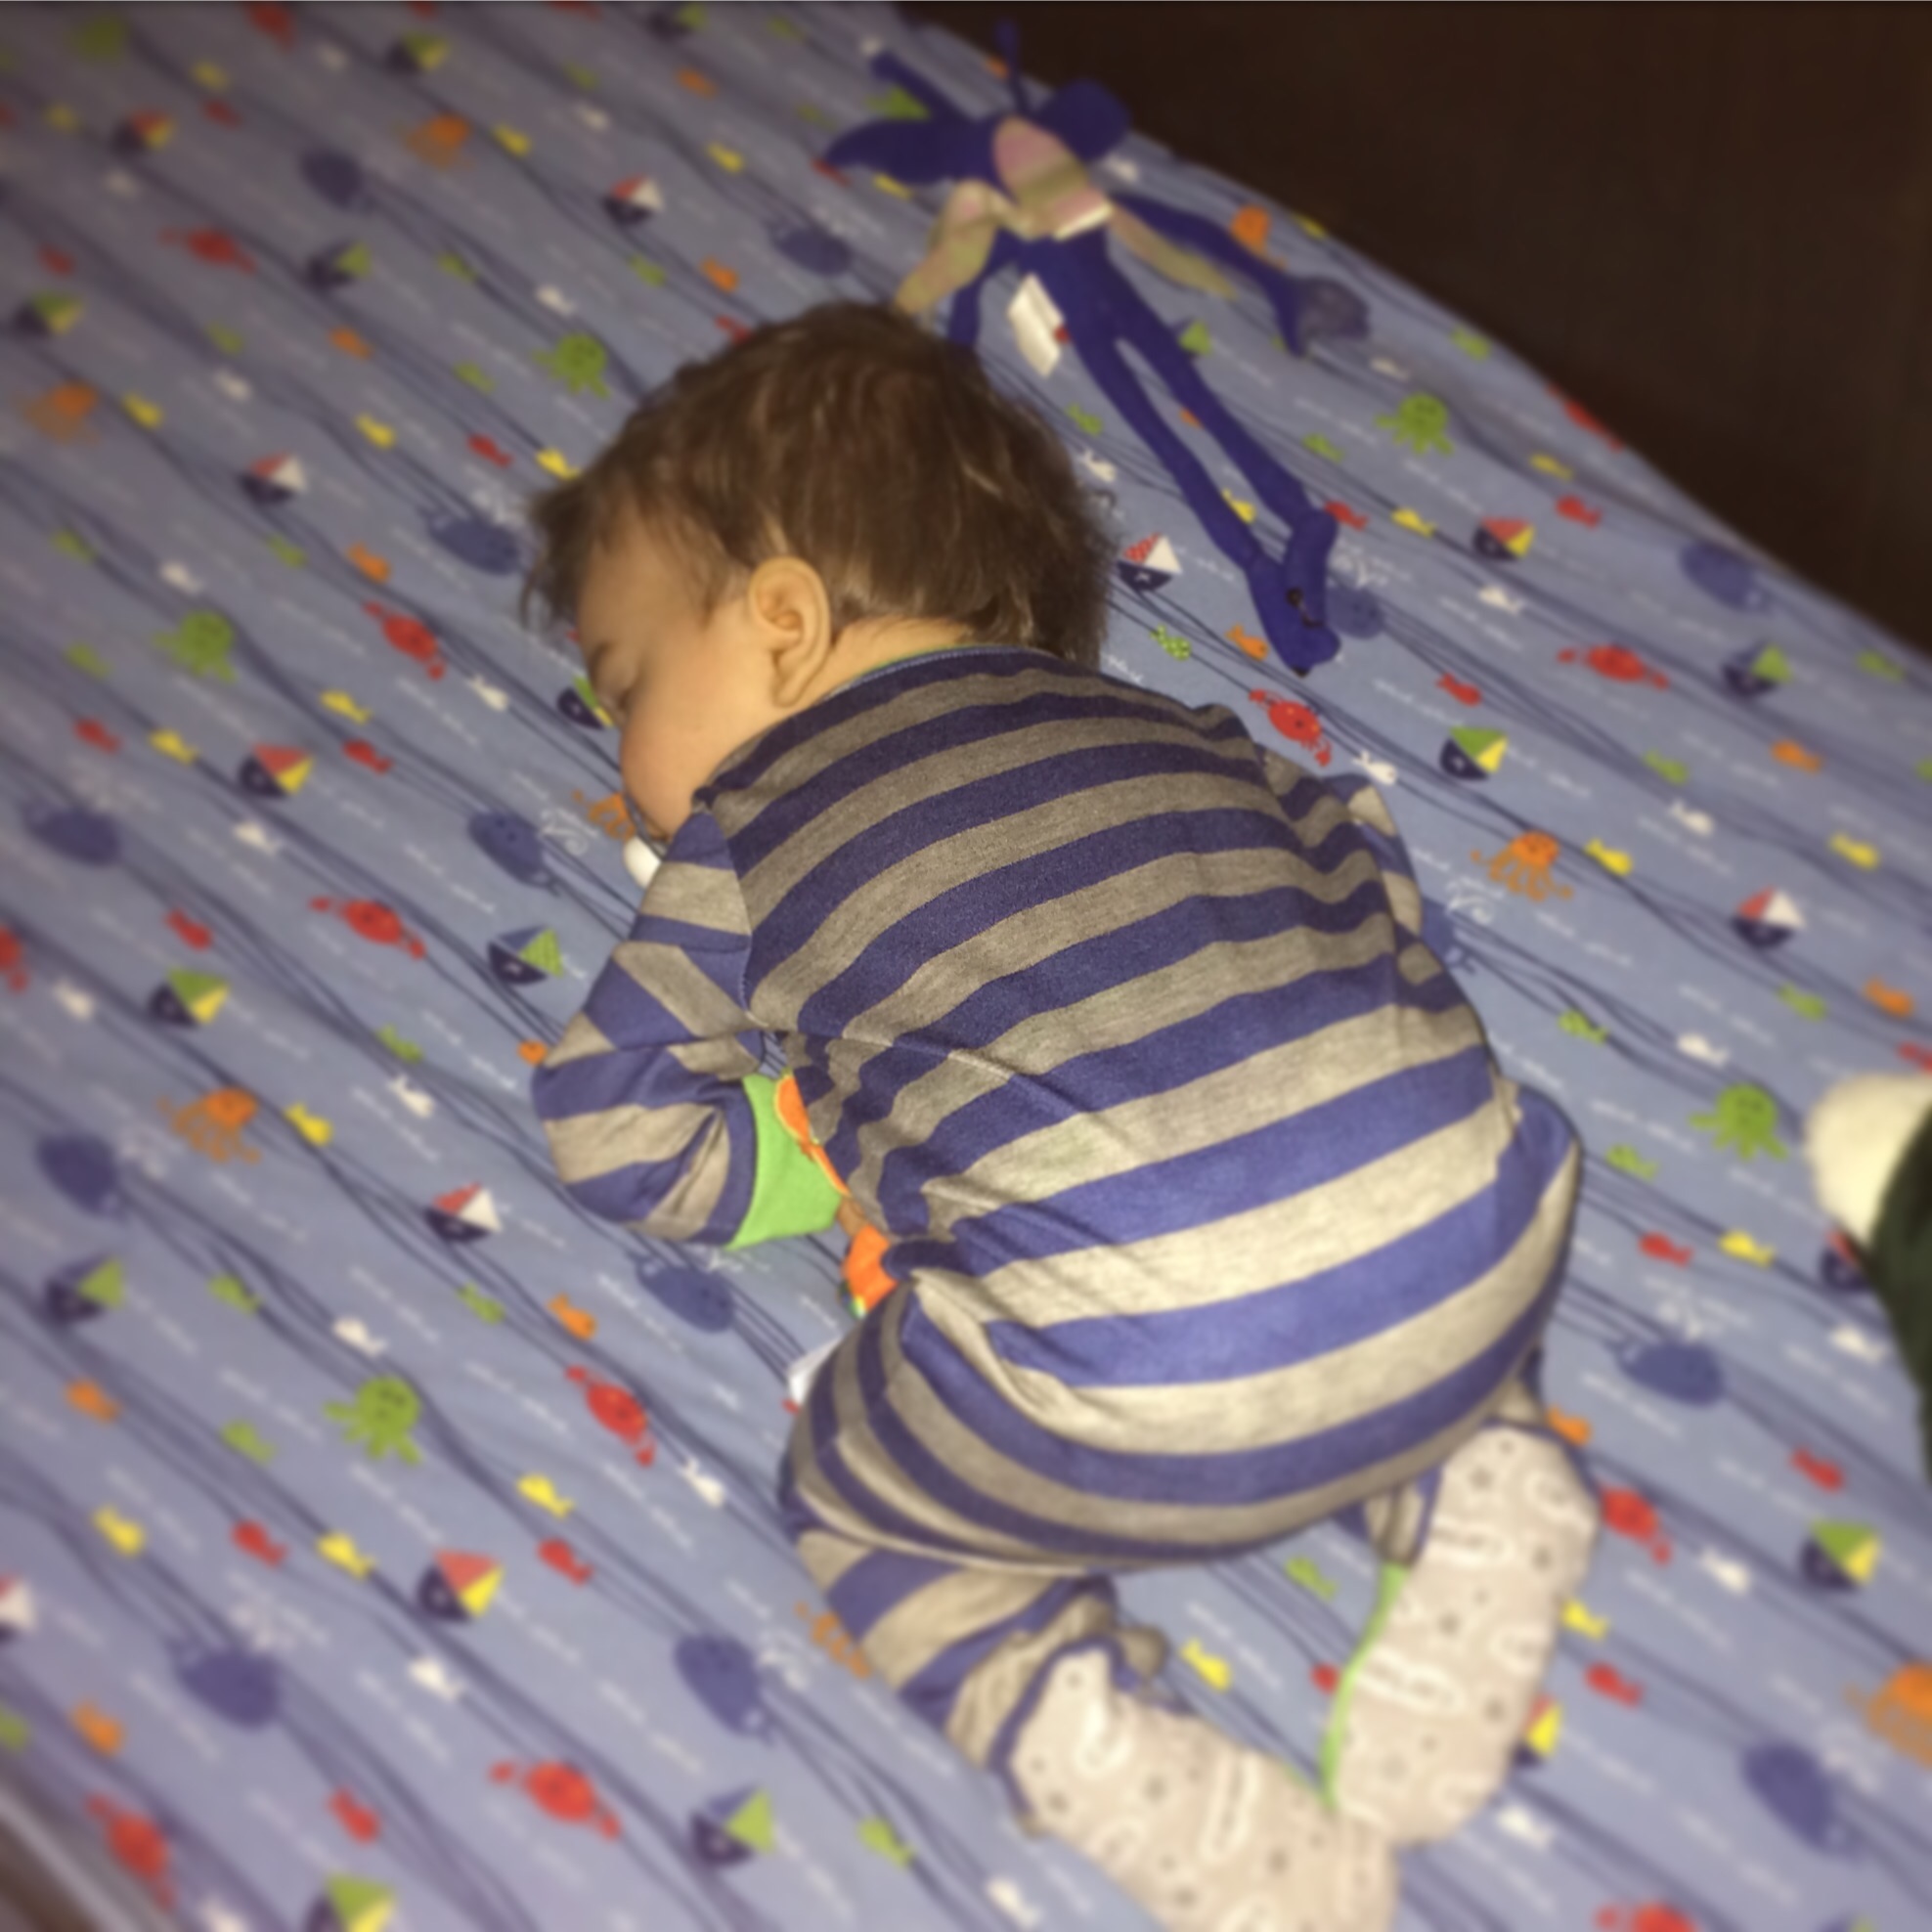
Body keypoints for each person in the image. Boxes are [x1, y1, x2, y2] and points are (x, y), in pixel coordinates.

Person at [525, 302, 1598, 1932]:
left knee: (860, 1503)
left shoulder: (750, 826)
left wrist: (805, 1162)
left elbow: (610, 1128)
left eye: (626, 686)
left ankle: (1156, 1794)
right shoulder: (1204, 740)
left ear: (785, 622)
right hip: (1475, 1238)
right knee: (1373, 1188)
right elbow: (1368, 879)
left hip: (1134, 1380)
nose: (620, 762)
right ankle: (1475, 1469)